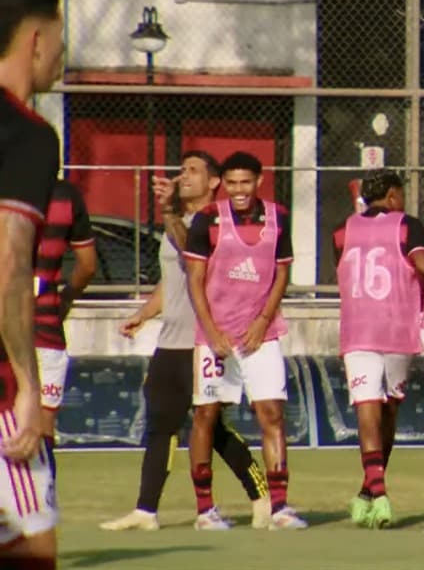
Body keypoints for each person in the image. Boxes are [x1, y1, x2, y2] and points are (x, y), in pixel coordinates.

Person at [101, 151, 271, 531]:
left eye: (193, 171)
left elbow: (193, 251)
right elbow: (172, 279)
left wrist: (168, 212)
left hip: (203, 341)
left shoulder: (217, 223)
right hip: (171, 340)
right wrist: (144, 315)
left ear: (214, 183)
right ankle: (146, 511)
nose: (184, 177)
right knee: (161, 422)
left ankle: (261, 495)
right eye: (182, 171)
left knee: (212, 427)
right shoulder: (178, 222)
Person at [184, 151, 306, 530]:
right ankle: (205, 510)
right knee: (206, 415)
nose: (239, 190)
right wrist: (211, 330)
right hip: (215, 337)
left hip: (261, 334)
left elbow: (281, 276)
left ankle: (280, 507)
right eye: (232, 182)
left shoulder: (278, 217)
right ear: (224, 183)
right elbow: (194, 280)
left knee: (272, 415)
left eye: (246, 182)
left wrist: (263, 320)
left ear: (259, 181)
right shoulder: (208, 219)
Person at [0, 0, 64, 569]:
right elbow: (10, 263)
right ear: (37, 39)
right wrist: (25, 386)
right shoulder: (25, 133)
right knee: (32, 548)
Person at [334, 171, 424, 529]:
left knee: (372, 410)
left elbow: (340, 268)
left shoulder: (343, 229)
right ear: (392, 195)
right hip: (397, 328)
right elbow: (423, 266)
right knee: (382, 409)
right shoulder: (409, 225)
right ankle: (380, 492)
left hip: (358, 325)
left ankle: (368, 489)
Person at [33, 180, 97, 441]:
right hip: (46, 329)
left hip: (6, 329)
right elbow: (88, 266)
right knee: (44, 430)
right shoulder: (66, 196)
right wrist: (66, 300)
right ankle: (43, 482)